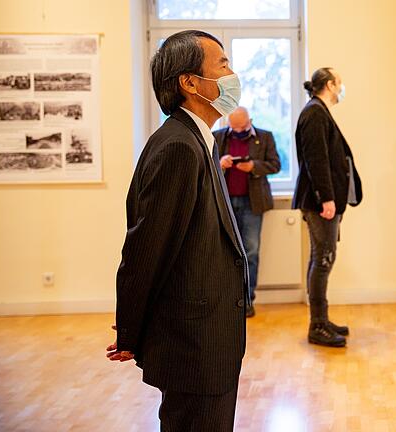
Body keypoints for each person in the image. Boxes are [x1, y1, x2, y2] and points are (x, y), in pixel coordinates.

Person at [106, 30, 249, 431]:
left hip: (209, 340)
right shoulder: (178, 147)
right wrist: (131, 331)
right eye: (222, 65)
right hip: (194, 345)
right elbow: (146, 248)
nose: (232, 74)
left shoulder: (197, 141)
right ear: (189, 83)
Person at [293, 67, 363, 348]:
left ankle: (322, 319)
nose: (342, 87)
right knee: (323, 260)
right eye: (339, 82)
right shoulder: (314, 113)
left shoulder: (318, 111)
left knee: (322, 259)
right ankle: (317, 325)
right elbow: (315, 159)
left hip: (324, 199)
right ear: (330, 85)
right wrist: (326, 199)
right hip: (320, 201)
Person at [215, 107, 281, 318]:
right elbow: (205, 166)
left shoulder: (265, 137)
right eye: (235, 128)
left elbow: (275, 165)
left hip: (253, 203)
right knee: (224, 254)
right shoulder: (217, 137)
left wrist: (253, 166)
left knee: (250, 252)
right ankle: (227, 300)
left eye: (243, 127)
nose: (239, 131)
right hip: (224, 203)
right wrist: (220, 164)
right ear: (228, 125)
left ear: (249, 121)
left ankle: (247, 300)